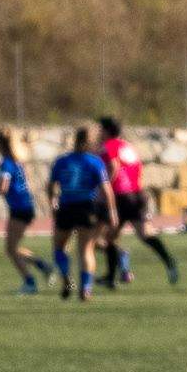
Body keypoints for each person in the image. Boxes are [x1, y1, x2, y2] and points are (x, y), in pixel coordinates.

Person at [98, 116, 180, 289]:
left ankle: (111, 278)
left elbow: (113, 167)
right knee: (144, 234)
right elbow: (136, 168)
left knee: (107, 237)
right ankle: (169, 261)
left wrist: (104, 188)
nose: (99, 132)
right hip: (137, 194)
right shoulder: (127, 146)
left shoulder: (108, 146)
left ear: (106, 131)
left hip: (121, 196)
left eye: (101, 129)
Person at [47, 125, 111, 302]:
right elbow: (106, 189)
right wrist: (112, 211)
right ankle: (86, 289)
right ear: (91, 141)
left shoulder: (62, 161)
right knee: (86, 249)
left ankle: (67, 278)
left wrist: (52, 202)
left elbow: (51, 185)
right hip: (87, 207)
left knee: (59, 246)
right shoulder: (95, 162)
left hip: (67, 206)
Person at [0, 130, 56, 295]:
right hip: (25, 207)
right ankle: (43, 266)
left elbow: (2, 188)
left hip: (20, 209)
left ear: (0, 144)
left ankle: (30, 282)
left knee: (11, 249)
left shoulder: (7, 163)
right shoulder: (17, 161)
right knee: (12, 248)